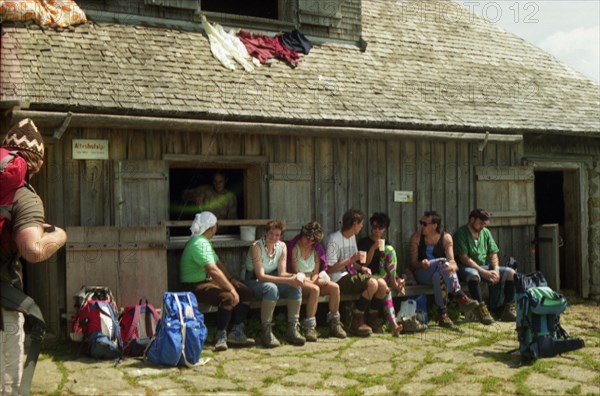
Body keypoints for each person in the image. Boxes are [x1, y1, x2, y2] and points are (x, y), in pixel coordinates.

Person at [1, 119, 67, 395]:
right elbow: (33, 250)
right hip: (3, 304)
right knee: (9, 386)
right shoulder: (25, 197)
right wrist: (61, 235)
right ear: (36, 164)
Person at [180, 211, 255, 351]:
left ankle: (236, 332)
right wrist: (231, 290)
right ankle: (221, 336)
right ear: (213, 227)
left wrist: (231, 280)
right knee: (228, 297)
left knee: (244, 291)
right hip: (194, 285)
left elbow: (218, 264)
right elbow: (213, 270)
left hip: (205, 282)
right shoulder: (199, 243)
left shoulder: (204, 242)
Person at [408, 211, 479, 327]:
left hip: (440, 274)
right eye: (421, 223)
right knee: (443, 262)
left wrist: (450, 267)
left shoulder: (446, 238)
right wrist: (422, 264)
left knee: (439, 275)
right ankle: (460, 295)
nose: (421, 226)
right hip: (422, 273)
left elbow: (453, 263)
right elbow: (413, 264)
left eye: (424, 224)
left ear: (434, 226)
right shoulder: (416, 238)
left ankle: (443, 315)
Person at [325, 209, 389, 337]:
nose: (362, 227)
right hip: (337, 278)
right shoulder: (333, 240)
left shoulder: (352, 237)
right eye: (360, 224)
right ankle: (356, 320)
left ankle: (372, 318)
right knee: (372, 283)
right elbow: (329, 269)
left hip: (351, 274)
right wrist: (351, 260)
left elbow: (352, 261)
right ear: (354, 224)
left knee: (381, 284)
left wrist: (361, 268)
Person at [244, 220, 306, 347]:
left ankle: (292, 328)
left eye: (277, 235)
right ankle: (266, 331)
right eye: (271, 233)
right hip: (252, 280)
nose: (273, 237)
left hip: (273, 276)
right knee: (271, 288)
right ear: (266, 232)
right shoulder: (256, 246)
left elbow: (282, 272)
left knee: (295, 286)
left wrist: (295, 276)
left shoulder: (282, 246)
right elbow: (261, 276)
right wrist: (288, 280)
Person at [454, 209, 517, 325]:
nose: (482, 226)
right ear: (472, 219)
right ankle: (481, 310)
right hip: (465, 267)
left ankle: (507, 309)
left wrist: (496, 270)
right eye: (480, 223)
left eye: (484, 223)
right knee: (474, 275)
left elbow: (493, 253)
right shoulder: (461, 233)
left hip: (484, 266)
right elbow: (464, 258)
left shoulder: (486, 232)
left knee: (511, 273)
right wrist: (483, 272)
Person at [286, 221, 347, 341]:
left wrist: (317, 279)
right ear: (302, 235)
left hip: (312, 279)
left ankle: (335, 323)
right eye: (307, 239)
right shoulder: (294, 248)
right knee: (315, 289)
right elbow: (296, 272)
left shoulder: (316, 250)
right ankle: (309, 326)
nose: (309, 243)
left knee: (334, 287)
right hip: (298, 280)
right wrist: (315, 282)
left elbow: (316, 272)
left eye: (312, 241)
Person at [357, 212, 404, 336]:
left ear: (384, 229)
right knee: (385, 288)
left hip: (383, 276)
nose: (376, 230)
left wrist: (398, 278)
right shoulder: (364, 243)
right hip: (369, 275)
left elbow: (390, 264)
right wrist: (373, 248)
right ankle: (391, 324)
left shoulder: (386, 244)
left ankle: (385, 322)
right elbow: (363, 264)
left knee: (390, 250)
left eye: (380, 227)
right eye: (374, 226)